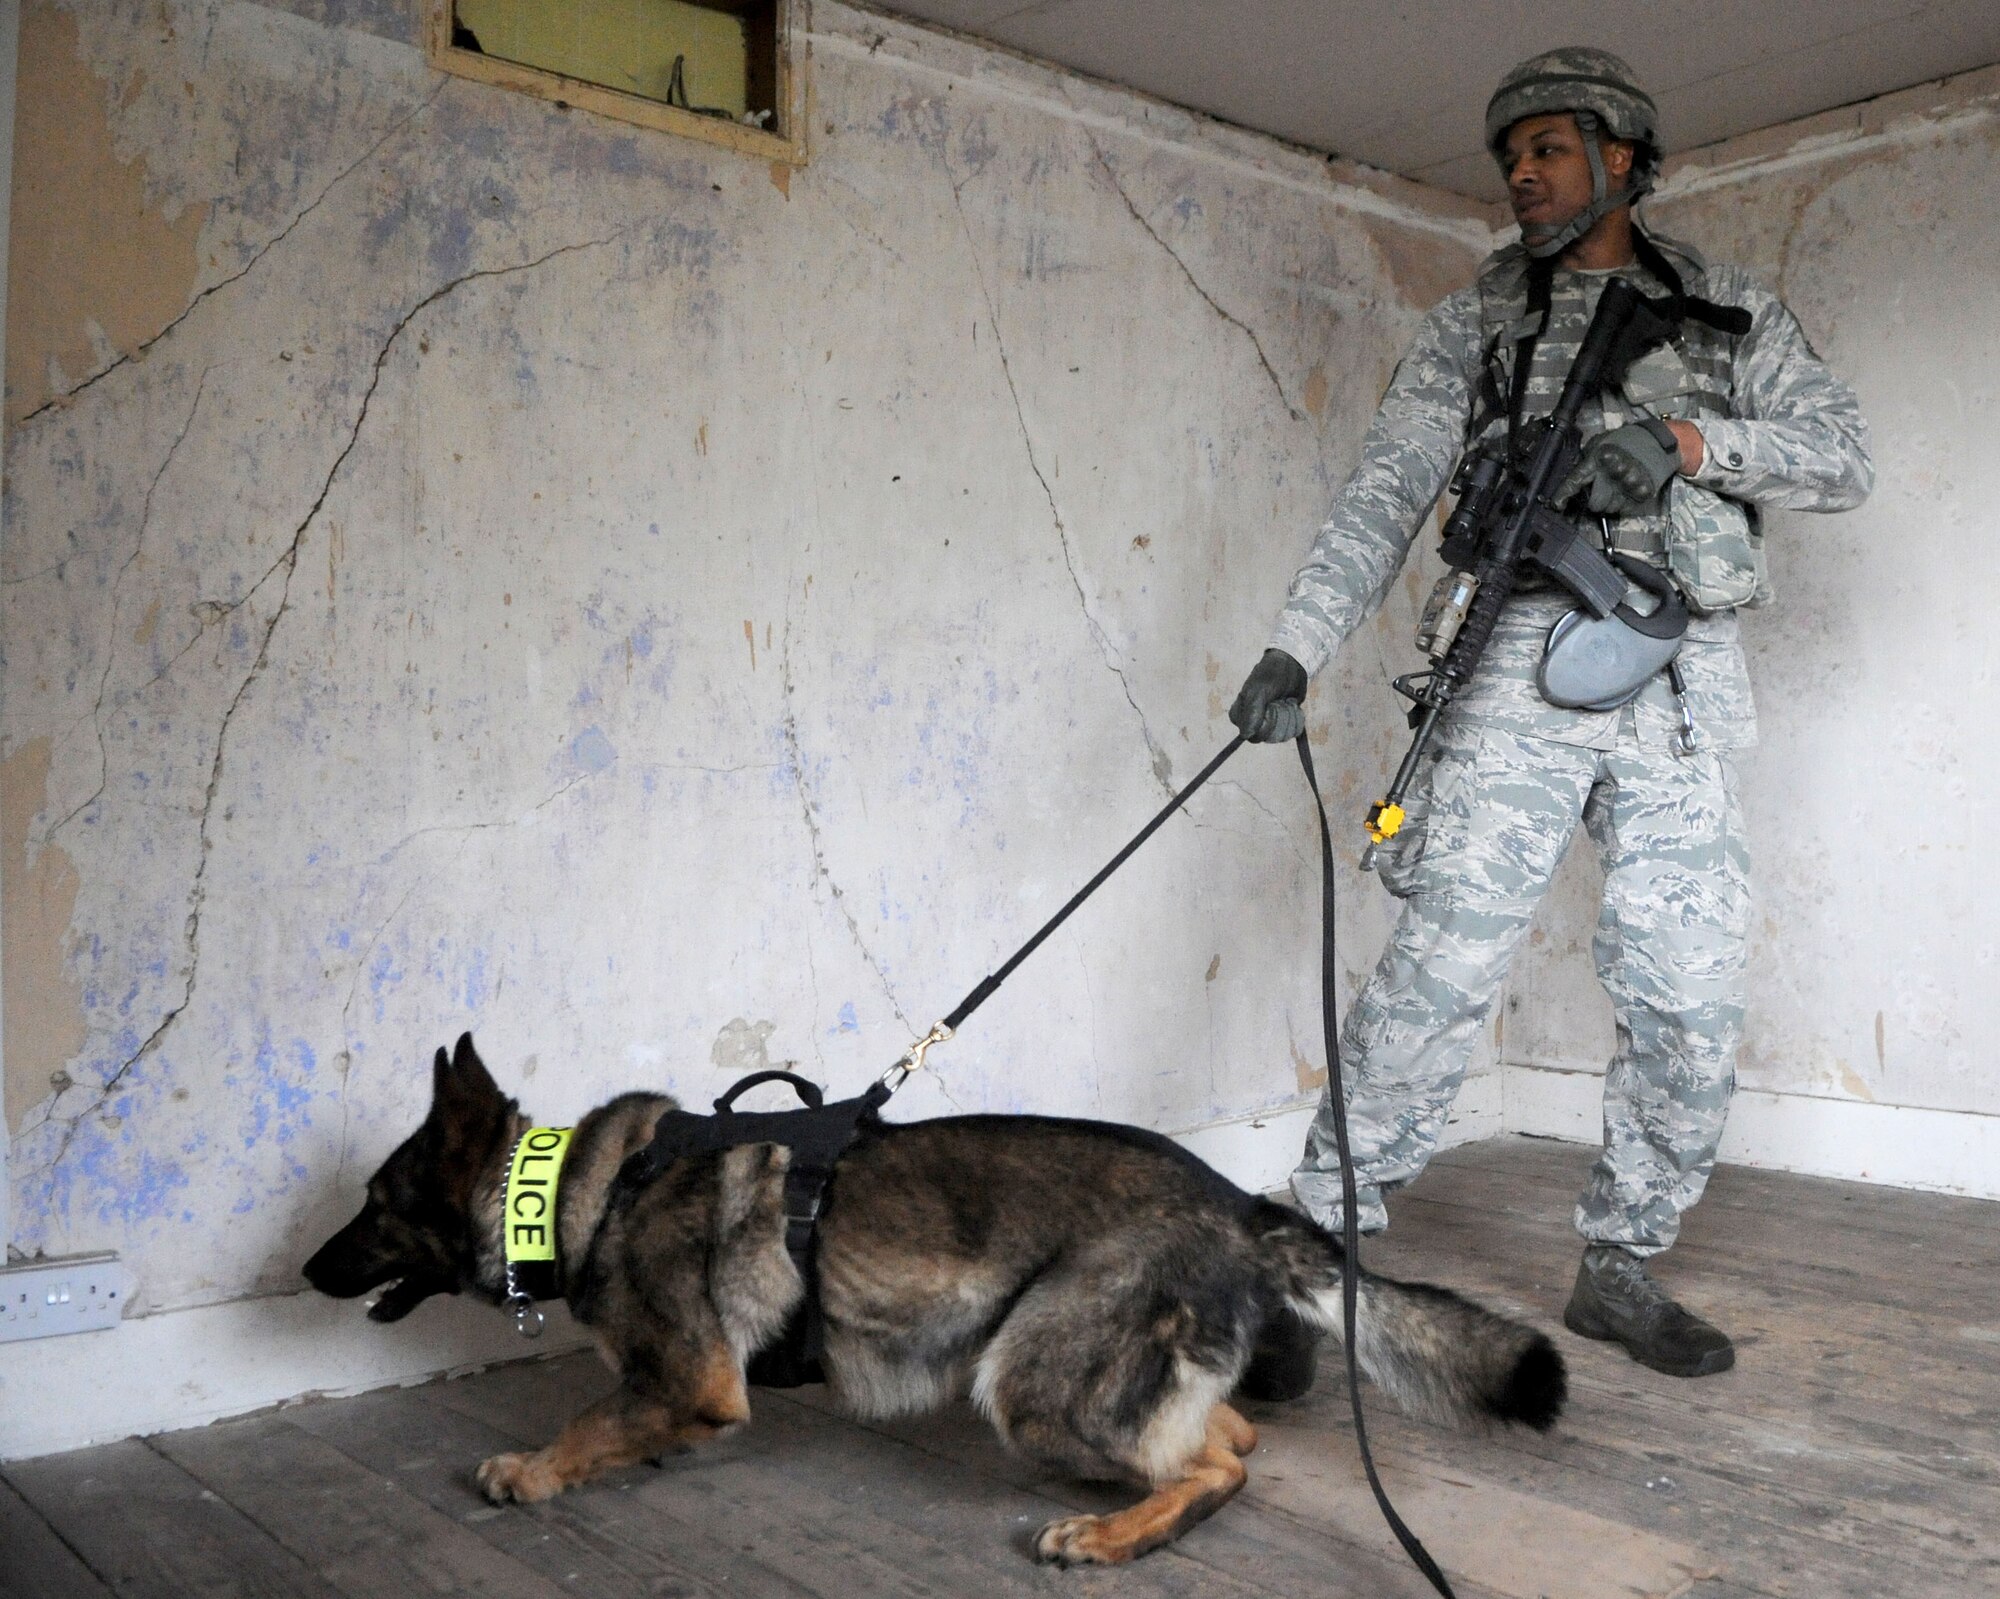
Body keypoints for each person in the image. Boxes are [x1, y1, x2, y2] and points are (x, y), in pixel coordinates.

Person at [1229, 47, 1872, 1379]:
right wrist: (1295, 647)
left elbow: (1842, 452)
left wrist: (1698, 446)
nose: (1520, 173)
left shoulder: (1726, 312)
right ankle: (1317, 1249)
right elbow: (1385, 490)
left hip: (1681, 672)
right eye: (1508, 154)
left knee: (1690, 990)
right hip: (1518, 655)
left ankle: (1622, 1259)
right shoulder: (1481, 322)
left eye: (1550, 148)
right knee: (1444, 962)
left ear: (1622, 156)